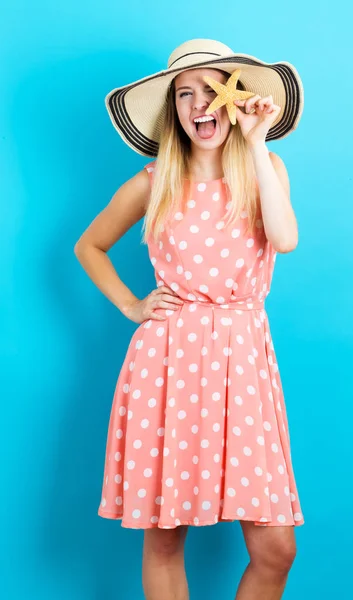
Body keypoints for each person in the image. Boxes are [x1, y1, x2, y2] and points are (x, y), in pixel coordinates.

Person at [74, 38, 305, 600]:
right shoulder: (154, 183)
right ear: (173, 109)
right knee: (164, 538)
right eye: (185, 94)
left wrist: (254, 145)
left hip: (243, 357)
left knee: (276, 549)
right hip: (168, 363)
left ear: (237, 101)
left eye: (212, 90)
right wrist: (133, 306)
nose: (200, 104)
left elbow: (286, 239)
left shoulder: (266, 167)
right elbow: (90, 247)